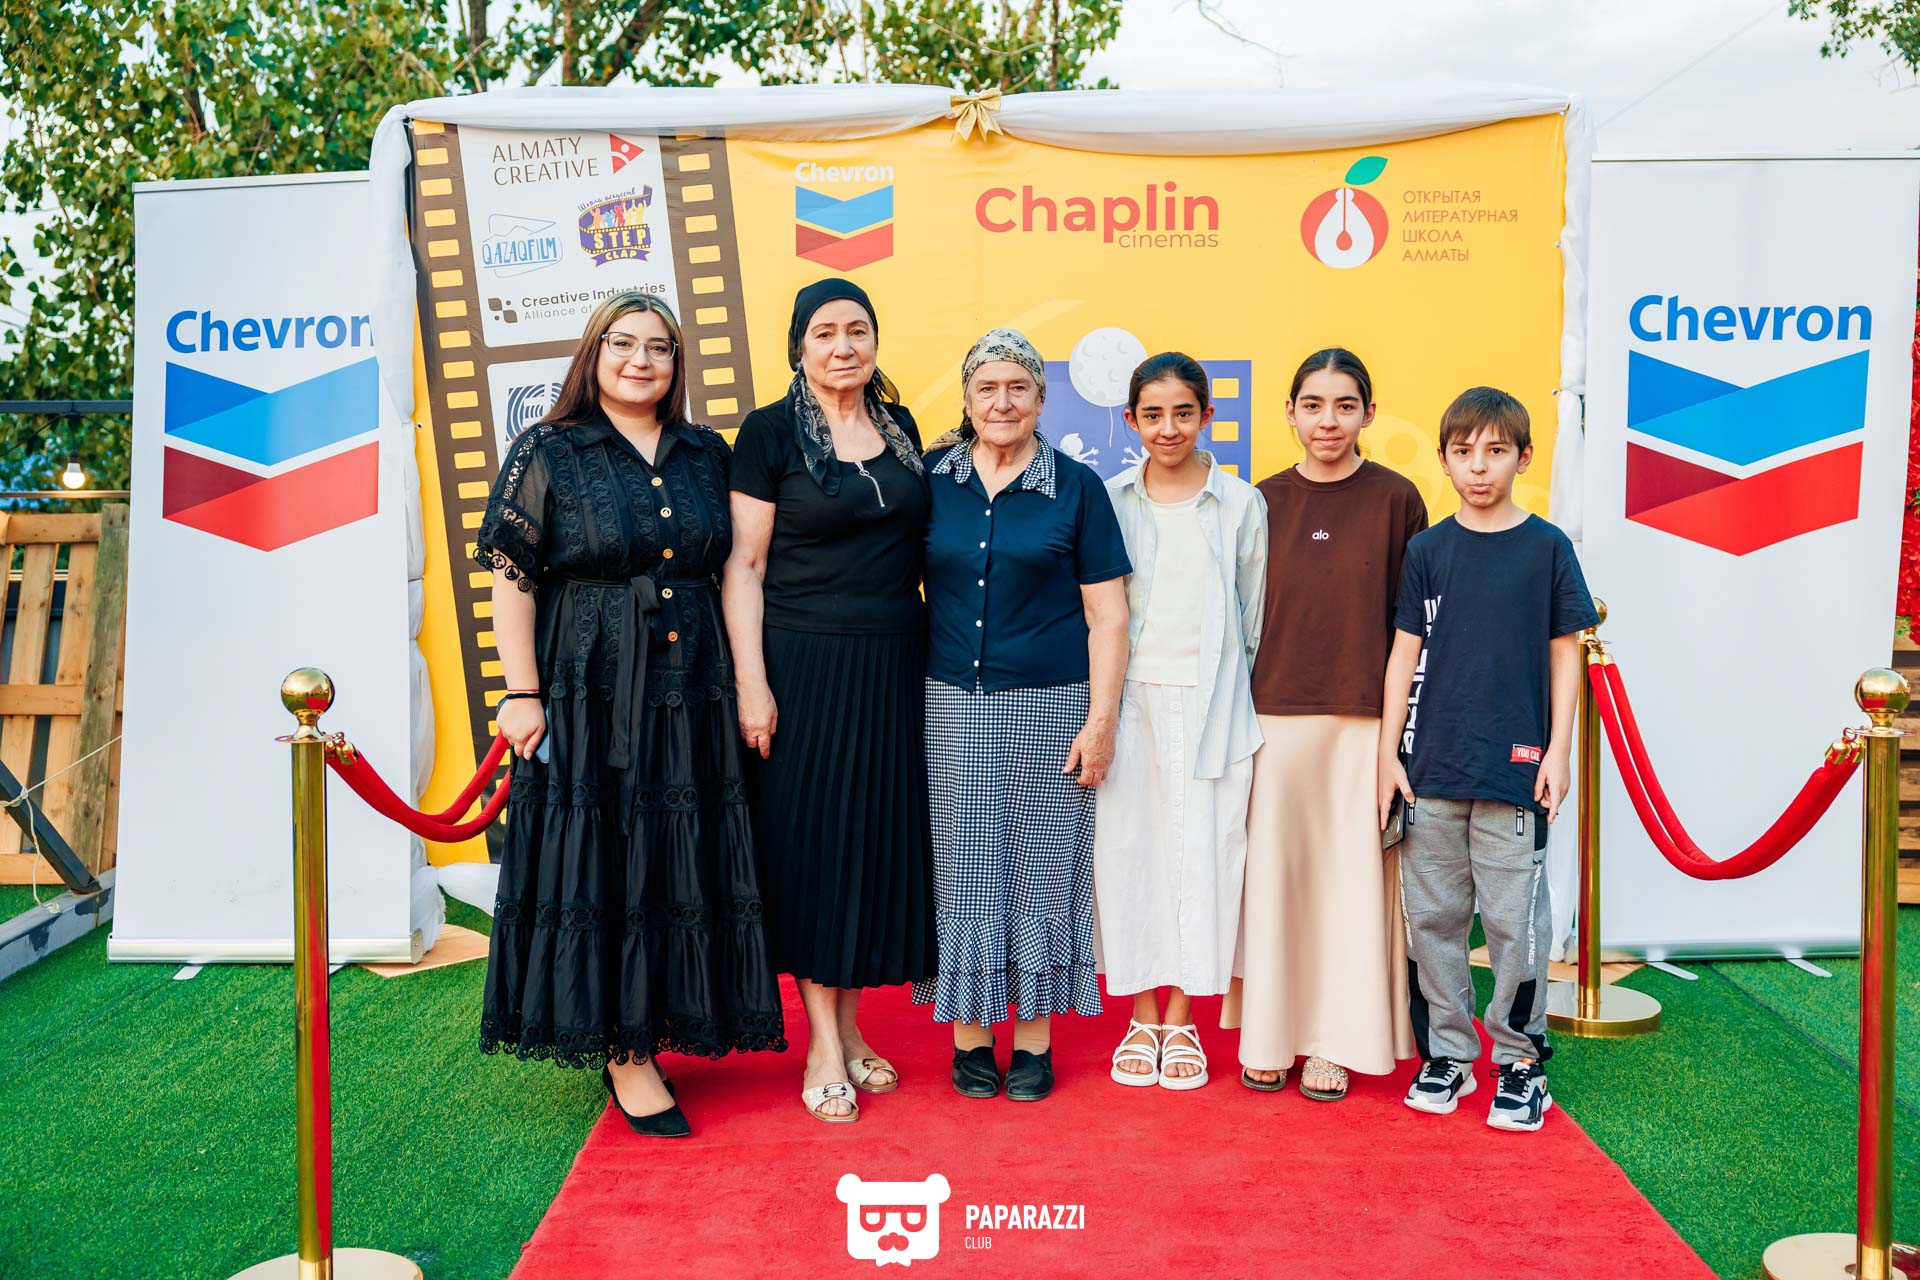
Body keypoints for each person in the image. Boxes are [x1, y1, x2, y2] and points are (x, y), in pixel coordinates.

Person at [475, 291, 787, 1140]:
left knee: (676, 854)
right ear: (594, 352)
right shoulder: (549, 448)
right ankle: (622, 1048)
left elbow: (736, 569)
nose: (640, 360)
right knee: (606, 854)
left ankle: (669, 1016)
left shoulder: (706, 452)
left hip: (694, 683)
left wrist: (749, 682)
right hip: (590, 685)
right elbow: (513, 578)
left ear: (677, 364)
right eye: (623, 343)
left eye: (658, 347)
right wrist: (522, 691)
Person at [722, 278, 936, 1125]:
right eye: (825, 332)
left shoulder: (900, 425)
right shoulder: (769, 432)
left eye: (857, 330)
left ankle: (850, 1030)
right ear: (798, 347)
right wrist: (752, 683)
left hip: (895, 664)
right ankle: (820, 1043)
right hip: (803, 664)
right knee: (815, 850)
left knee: (869, 846)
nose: (843, 346)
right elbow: (744, 566)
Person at [912, 328, 1132, 1103]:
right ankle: (970, 1037)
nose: (1002, 402)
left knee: (1042, 868)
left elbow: (1108, 616)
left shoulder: (1077, 487)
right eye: (987, 388)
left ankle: (1034, 1040)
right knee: (963, 868)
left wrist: (1101, 721)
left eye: (1019, 388)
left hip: (1052, 705)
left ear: (1041, 398)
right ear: (966, 399)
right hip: (948, 703)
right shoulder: (931, 480)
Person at [1379, 385, 1595, 1133]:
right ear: (1443, 460)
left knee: (1513, 925)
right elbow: (1403, 654)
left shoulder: (1547, 548)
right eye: (1464, 452)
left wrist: (1558, 751)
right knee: (1433, 920)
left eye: (1496, 451)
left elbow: (1566, 654)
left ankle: (1520, 1060)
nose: (1479, 466)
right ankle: (1447, 1053)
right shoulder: (1427, 551)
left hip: (1516, 771)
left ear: (1523, 458)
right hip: (1431, 771)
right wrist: (1388, 756)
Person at [1227, 348, 1426, 1101]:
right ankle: (1270, 1036)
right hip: (1272, 720)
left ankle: (1335, 1044)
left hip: (1364, 726)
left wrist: (1395, 743)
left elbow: (1413, 633)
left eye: (1345, 405)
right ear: (1289, 412)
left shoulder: (1398, 499)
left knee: (1351, 888)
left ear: (1368, 413)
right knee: (1277, 885)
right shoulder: (1260, 501)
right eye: (1313, 405)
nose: (1328, 421)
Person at [1094, 352, 1267, 1092]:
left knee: (1206, 857)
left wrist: (1229, 696)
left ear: (1207, 416)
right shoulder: (1108, 499)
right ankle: (1140, 1015)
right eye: (1153, 414)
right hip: (1128, 702)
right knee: (1130, 854)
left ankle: (1183, 1017)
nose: (1168, 428)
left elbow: (1253, 617)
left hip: (1213, 706)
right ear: (1130, 420)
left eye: (1183, 413)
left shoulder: (1241, 504)